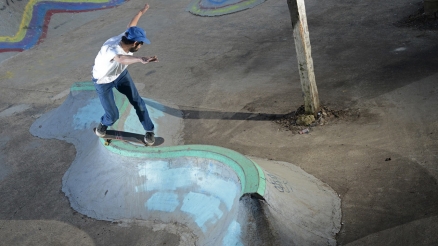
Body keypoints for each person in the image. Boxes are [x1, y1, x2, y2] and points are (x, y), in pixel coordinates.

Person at [91, 3, 158, 146]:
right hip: (102, 82)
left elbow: (131, 25)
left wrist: (141, 11)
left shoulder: (126, 35)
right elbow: (121, 59)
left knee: (137, 101)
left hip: (120, 75)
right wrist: (140, 59)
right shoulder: (111, 48)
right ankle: (103, 124)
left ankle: (149, 130)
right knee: (113, 115)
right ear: (135, 43)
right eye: (141, 44)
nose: (141, 46)